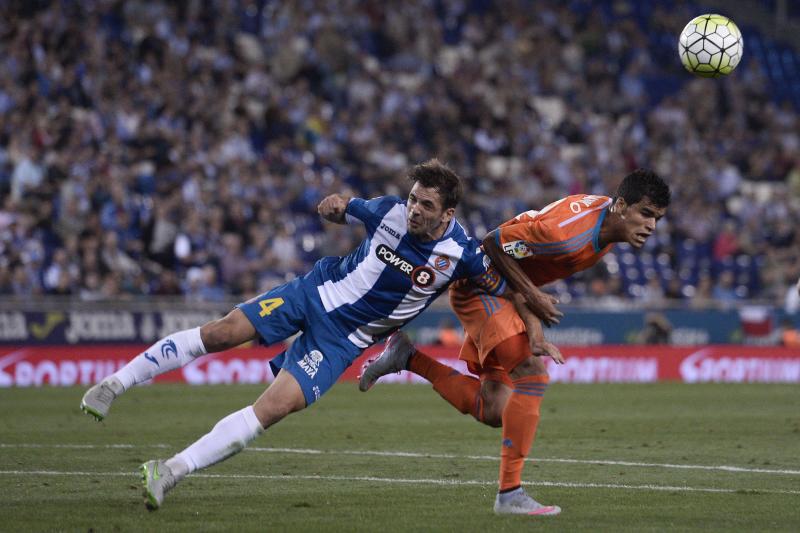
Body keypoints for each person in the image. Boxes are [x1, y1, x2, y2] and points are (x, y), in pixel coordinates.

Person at [79, 159, 560, 510]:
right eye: (413, 198)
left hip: (342, 342)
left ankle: (170, 471)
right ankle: (114, 385)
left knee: (273, 408)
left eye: (426, 205)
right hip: (313, 292)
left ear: (448, 212)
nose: (414, 210)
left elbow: (505, 284)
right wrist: (335, 207)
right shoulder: (388, 211)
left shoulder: (462, 255)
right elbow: (346, 206)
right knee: (223, 332)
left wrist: (534, 324)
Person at [360, 168, 671, 516]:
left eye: (657, 218)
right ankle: (510, 494)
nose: (651, 226)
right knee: (533, 375)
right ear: (621, 205)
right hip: (482, 286)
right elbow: (493, 244)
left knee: (494, 410)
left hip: (504, 291)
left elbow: (524, 264)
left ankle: (408, 357)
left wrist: (533, 323)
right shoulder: (570, 234)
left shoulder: (602, 225)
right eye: (645, 214)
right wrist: (533, 298)